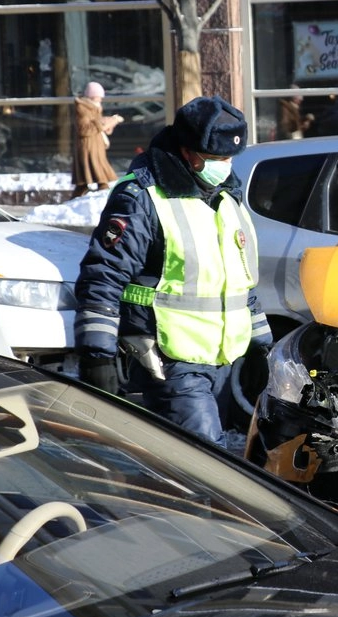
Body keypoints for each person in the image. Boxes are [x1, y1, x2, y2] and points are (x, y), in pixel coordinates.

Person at [73, 96, 274, 447]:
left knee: (208, 461)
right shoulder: (142, 197)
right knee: (206, 461)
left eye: (229, 158)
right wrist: (97, 355)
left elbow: (241, 284)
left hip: (223, 361)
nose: (225, 166)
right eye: (216, 158)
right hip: (169, 360)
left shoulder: (226, 198)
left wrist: (260, 347)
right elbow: (102, 276)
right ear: (188, 152)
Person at [71, 81, 124, 198]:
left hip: (95, 146)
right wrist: (105, 122)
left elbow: (98, 126)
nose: (101, 99)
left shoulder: (95, 108)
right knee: (98, 178)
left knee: (90, 180)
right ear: (93, 96)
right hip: (88, 147)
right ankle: (105, 198)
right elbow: (84, 129)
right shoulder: (82, 108)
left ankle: (102, 197)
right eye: (99, 97)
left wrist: (109, 123)